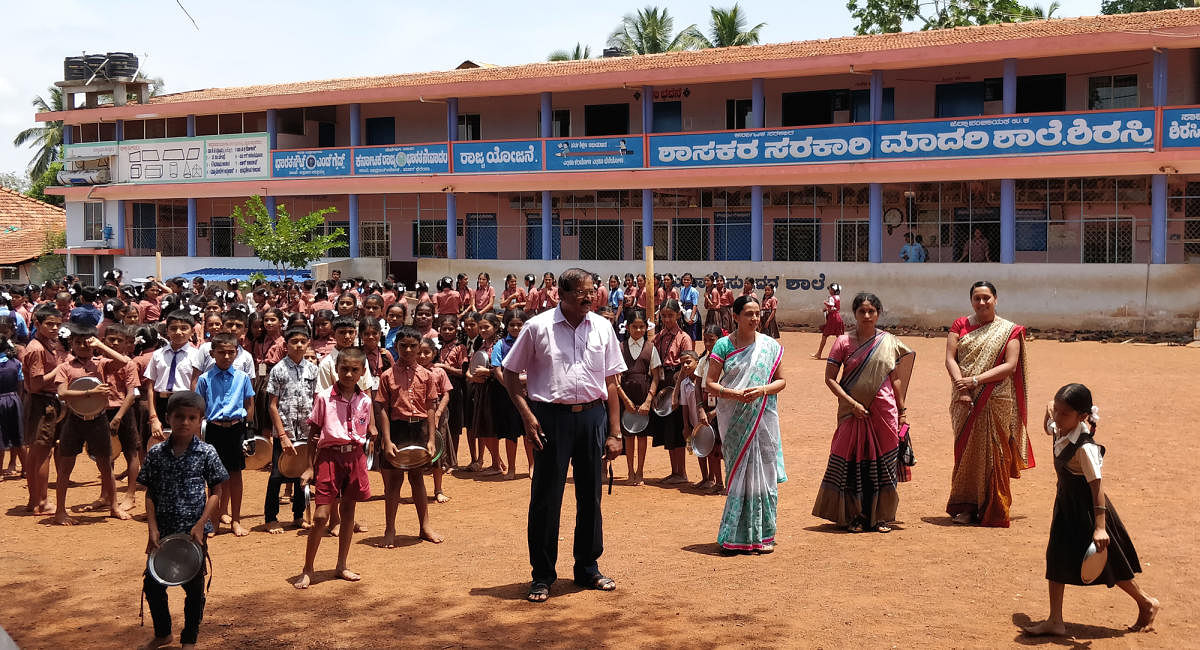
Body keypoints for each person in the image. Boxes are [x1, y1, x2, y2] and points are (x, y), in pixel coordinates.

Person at [500, 267, 626, 603]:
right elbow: (510, 374)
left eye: (592, 291)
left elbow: (612, 382)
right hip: (549, 420)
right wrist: (526, 415)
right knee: (546, 499)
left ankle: (587, 568)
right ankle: (542, 576)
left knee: (591, 497)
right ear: (562, 295)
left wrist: (615, 432)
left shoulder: (602, 327)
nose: (590, 298)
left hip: (592, 418)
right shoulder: (537, 327)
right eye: (582, 292)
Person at [1022, 383, 1159, 637]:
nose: (1058, 418)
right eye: (1058, 411)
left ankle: (1146, 602)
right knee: (1056, 556)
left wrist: (1099, 528)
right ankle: (1055, 620)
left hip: (1088, 511)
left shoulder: (1085, 447)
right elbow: (1048, 425)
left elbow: (1097, 487)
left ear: (1082, 416)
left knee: (1111, 565)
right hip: (1065, 506)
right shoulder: (1063, 427)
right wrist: (1048, 410)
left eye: (1065, 414)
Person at [813, 293, 915, 533]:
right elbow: (830, 379)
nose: (867, 316)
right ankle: (854, 516)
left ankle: (880, 516)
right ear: (855, 314)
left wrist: (902, 411)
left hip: (884, 412)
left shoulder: (889, 342)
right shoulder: (843, 342)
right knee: (851, 459)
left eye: (871, 311)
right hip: (852, 412)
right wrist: (851, 403)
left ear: (878, 313)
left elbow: (896, 379)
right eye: (862, 311)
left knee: (883, 462)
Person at [137, 391, 228, 650]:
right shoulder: (156, 454)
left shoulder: (206, 453)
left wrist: (201, 525)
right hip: (163, 532)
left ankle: (190, 638)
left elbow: (216, 492)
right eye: (179, 417)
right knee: (153, 586)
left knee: (194, 590)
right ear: (168, 418)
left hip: (193, 534)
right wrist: (151, 529)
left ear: (200, 419)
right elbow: (150, 493)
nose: (185, 422)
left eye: (191, 417)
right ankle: (163, 633)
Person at [945, 281, 1033, 527]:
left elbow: (1010, 365)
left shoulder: (1009, 330)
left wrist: (975, 380)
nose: (982, 302)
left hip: (996, 397)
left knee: (996, 453)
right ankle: (966, 507)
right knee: (967, 452)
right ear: (971, 300)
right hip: (963, 397)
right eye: (977, 298)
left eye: (986, 298)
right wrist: (962, 385)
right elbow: (950, 358)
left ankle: (994, 506)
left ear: (996, 299)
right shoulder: (960, 325)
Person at [704, 295, 787, 554]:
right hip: (735, 420)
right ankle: (734, 537)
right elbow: (710, 383)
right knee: (740, 476)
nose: (754, 318)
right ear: (735, 317)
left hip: (763, 419)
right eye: (749, 314)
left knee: (764, 478)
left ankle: (763, 535)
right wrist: (735, 395)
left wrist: (762, 390)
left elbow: (781, 381)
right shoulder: (722, 346)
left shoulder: (769, 346)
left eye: (757, 313)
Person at [294, 348, 375, 590]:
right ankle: (308, 568)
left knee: (349, 512)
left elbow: (364, 431)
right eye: (344, 369)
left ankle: (341, 564)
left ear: (362, 372)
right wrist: (309, 467)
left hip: (355, 457)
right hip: (329, 458)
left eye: (354, 370)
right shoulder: (324, 397)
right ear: (336, 369)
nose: (349, 374)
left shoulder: (366, 401)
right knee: (321, 516)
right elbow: (313, 434)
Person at [52, 323, 133, 524]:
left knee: (106, 465)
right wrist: (90, 393)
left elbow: (123, 361)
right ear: (71, 344)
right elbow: (62, 393)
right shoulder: (65, 367)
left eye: (87, 343)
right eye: (78, 343)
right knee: (65, 467)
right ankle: (60, 511)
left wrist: (101, 346)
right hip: (74, 420)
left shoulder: (102, 364)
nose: (83, 347)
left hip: (98, 420)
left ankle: (113, 506)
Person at [375, 326, 444, 548]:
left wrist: (432, 440)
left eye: (412, 346)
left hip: (419, 430)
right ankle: (390, 529)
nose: (407, 350)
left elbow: (431, 408)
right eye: (402, 346)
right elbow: (383, 409)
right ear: (395, 347)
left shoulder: (428, 376)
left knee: (417, 479)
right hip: (397, 430)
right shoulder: (387, 376)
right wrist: (386, 440)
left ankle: (424, 526)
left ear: (419, 348)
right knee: (394, 482)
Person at [195, 332, 256, 537]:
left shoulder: (243, 378)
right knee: (213, 479)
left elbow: (249, 404)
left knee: (235, 474)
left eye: (231, 352)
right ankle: (214, 521)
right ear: (213, 353)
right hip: (213, 429)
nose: (227, 357)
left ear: (237, 353)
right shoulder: (204, 379)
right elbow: (199, 408)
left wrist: (249, 432)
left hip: (236, 429)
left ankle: (236, 520)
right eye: (222, 352)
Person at [266, 326, 317, 533]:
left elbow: (316, 400)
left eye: (302, 341)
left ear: (308, 344)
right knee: (277, 474)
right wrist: (282, 434)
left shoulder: (313, 369)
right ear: (286, 345)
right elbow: (272, 405)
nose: (298, 345)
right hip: (285, 431)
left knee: (300, 474)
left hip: (306, 431)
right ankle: (271, 517)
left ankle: (298, 515)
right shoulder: (278, 369)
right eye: (294, 341)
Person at [22, 304, 66, 514]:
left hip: (43, 401)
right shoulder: (37, 348)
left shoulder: (46, 344)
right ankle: (42, 501)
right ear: (37, 323)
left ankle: (34, 500)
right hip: (42, 401)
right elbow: (37, 383)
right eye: (50, 324)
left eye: (58, 324)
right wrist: (60, 368)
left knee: (36, 453)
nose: (55, 328)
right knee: (42, 453)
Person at [652, 299, 694, 485]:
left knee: (677, 427)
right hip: (662, 381)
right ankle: (674, 470)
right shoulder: (658, 337)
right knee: (668, 428)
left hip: (678, 380)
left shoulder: (684, 338)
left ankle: (682, 471)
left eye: (670, 315)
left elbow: (686, 367)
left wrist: (676, 392)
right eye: (664, 316)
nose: (667, 319)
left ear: (678, 315)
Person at [145, 310, 204, 439]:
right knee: (161, 442)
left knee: (186, 443)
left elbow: (199, 387)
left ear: (192, 331)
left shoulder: (197, 355)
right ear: (167, 331)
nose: (178, 332)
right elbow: (150, 387)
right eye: (173, 328)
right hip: (162, 403)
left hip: (186, 403)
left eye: (184, 328)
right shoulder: (157, 355)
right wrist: (153, 418)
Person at [617, 309, 658, 486]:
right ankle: (630, 472)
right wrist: (624, 399)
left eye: (642, 327)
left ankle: (640, 471)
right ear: (627, 327)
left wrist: (648, 400)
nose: (638, 330)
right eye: (635, 327)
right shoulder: (620, 348)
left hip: (643, 397)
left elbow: (656, 376)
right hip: (625, 396)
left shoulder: (650, 348)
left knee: (641, 436)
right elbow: (616, 376)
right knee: (628, 435)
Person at [492, 309, 532, 480]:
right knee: (511, 433)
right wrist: (510, 387)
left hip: (530, 393)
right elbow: (497, 369)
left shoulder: (531, 343)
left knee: (530, 431)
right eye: (512, 325)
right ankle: (512, 468)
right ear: (506, 326)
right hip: (509, 396)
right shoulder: (500, 345)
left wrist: (528, 381)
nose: (515, 328)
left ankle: (532, 466)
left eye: (519, 325)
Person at [813, 283, 843, 360]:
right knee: (839, 337)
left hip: (832, 318)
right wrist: (827, 308)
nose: (829, 290)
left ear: (833, 290)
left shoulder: (832, 298)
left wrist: (825, 303)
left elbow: (831, 306)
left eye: (830, 289)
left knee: (825, 335)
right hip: (837, 317)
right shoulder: (837, 297)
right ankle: (843, 355)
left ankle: (819, 353)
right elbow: (835, 308)